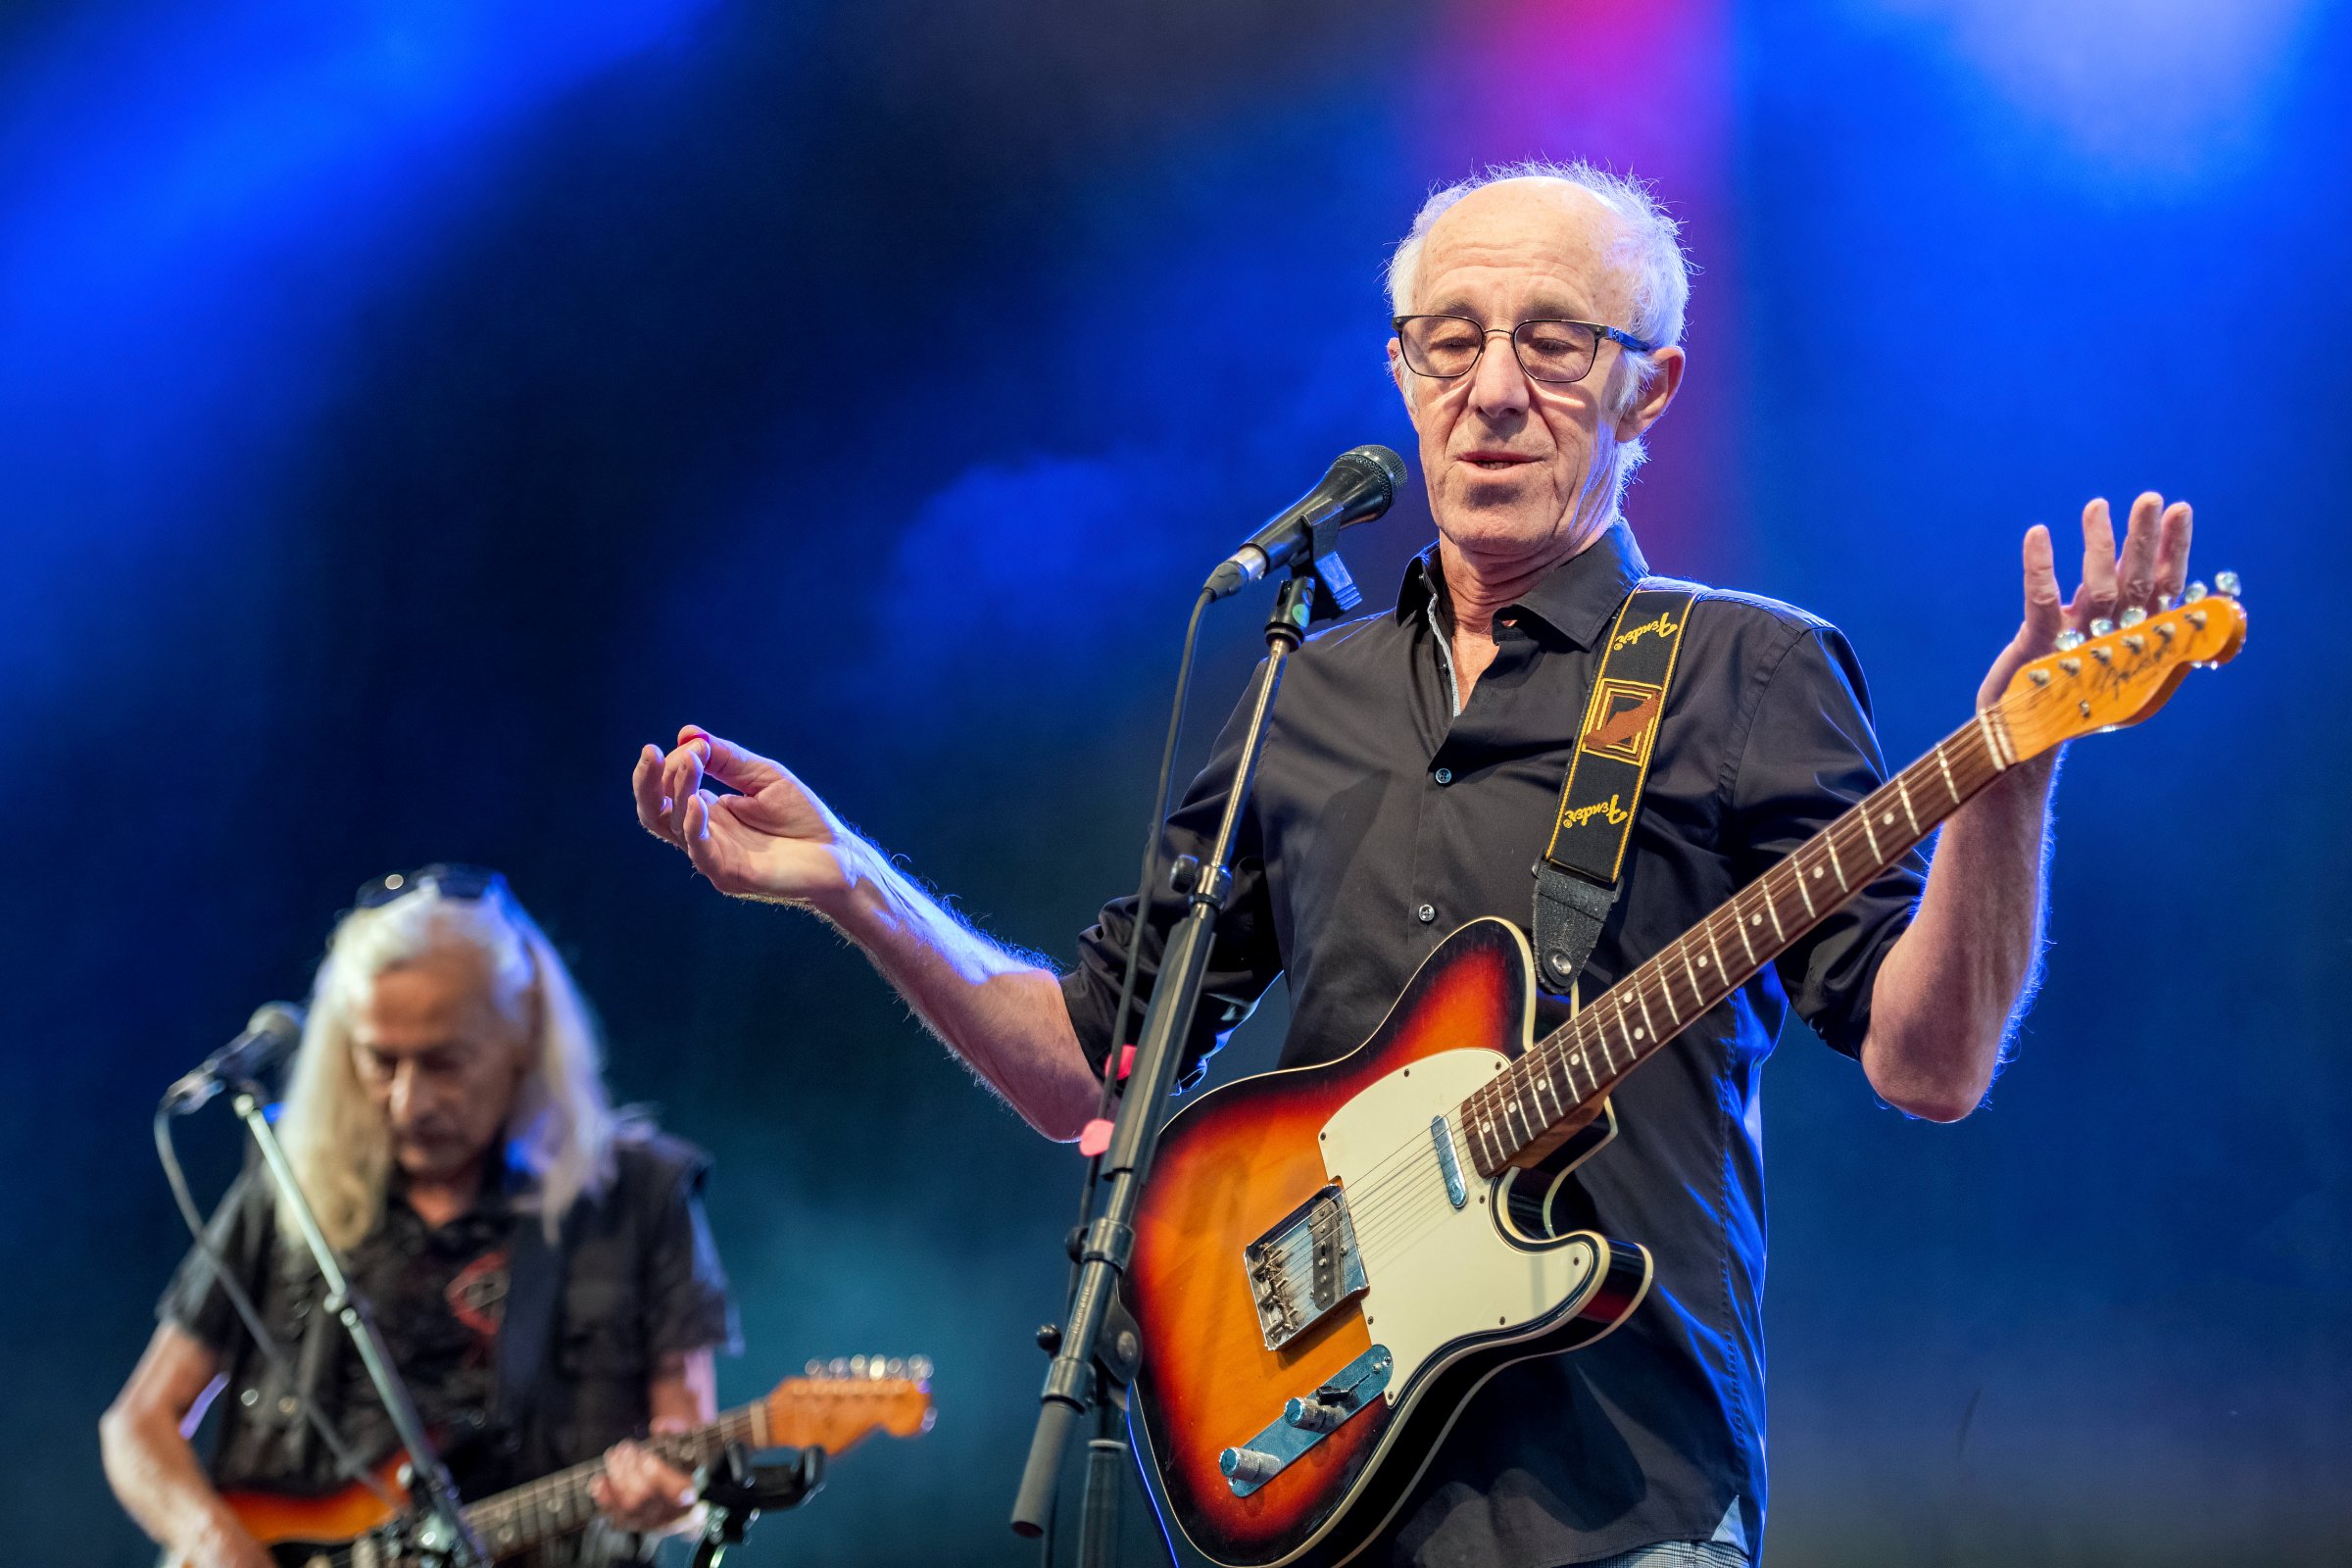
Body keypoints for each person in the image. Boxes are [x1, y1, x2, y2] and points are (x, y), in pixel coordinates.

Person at [627, 161, 2195, 1566]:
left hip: (1621, 1504)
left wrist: (2009, 775)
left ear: (1650, 394)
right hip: (1321, 1487)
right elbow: (1084, 1071)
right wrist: (850, 880)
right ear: (1400, 371)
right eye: (1450, 340)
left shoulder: (1744, 674)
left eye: (1553, 343)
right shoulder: (1301, 691)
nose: (1492, 389)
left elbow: (1932, 1064)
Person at [102, 865, 740, 1568]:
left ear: (523, 1038)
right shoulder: (291, 1181)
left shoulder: (639, 1196)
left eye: (446, 1062)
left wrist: (672, 1497)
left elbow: (686, 1442)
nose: (409, 1101)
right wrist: (209, 1538)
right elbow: (139, 1423)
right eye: (381, 1062)